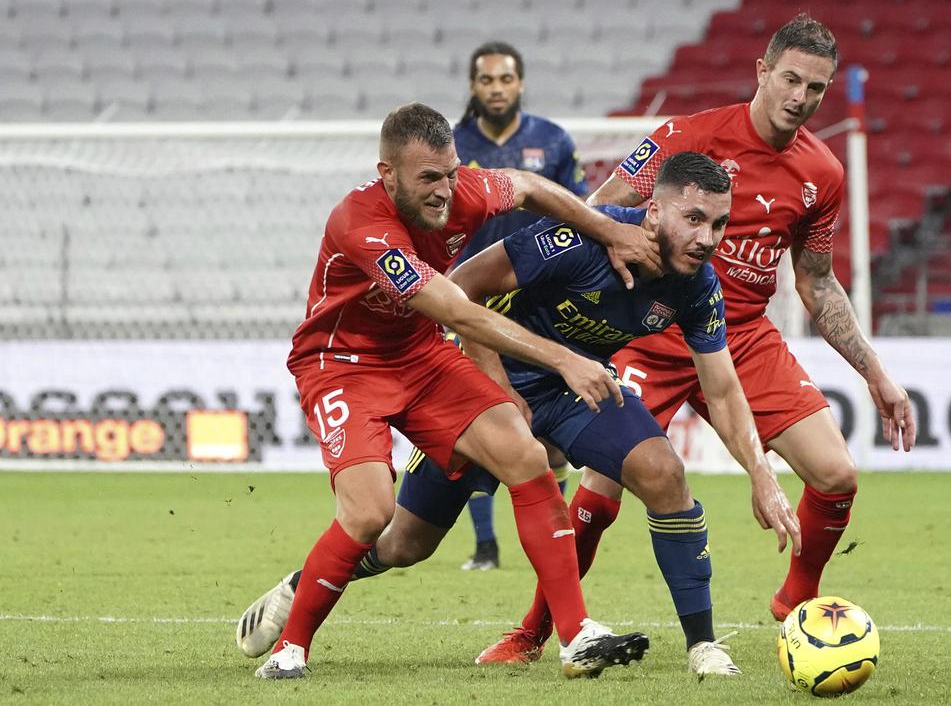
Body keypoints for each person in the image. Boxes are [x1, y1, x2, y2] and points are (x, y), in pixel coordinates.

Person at [235, 152, 801, 677]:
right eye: (694, 219)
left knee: (664, 473)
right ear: (652, 210)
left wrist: (762, 474)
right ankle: (305, 585)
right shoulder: (577, 241)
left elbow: (723, 390)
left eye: (720, 225)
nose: (707, 239)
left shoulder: (697, 283)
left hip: (577, 390)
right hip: (483, 378)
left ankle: (695, 644)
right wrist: (503, 386)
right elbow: (462, 293)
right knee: (403, 543)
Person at [479, 14, 920, 665]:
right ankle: (534, 632)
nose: (800, 98)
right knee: (600, 489)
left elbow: (817, 283)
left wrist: (875, 374)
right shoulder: (686, 137)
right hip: (648, 336)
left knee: (836, 476)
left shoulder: (820, 175)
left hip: (739, 337)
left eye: (816, 88)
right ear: (762, 72)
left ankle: (796, 600)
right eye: (790, 80)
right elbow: (596, 215)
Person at [248, 102, 657, 680]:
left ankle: (575, 637)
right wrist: (565, 359)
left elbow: (530, 187)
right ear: (388, 174)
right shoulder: (361, 224)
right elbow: (459, 314)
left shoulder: (464, 190)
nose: (445, 191)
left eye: (451, 173)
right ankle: (292, 649)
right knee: (370, 514)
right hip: (341, 364)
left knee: (525, 455)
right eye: (428, 179)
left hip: (418, 354)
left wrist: (609, 228)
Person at [451, 41, 588, 572]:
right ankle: (486, 547)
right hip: (469, 301)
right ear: (473, 87)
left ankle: (553, 540)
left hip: (540, 306)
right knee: (476, 426)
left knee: (547, 436)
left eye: (505, 79)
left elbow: (579, 210)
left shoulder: (552, 141)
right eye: (486, 80)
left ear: (520, 83)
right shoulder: (454, 144)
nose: (496, 89)